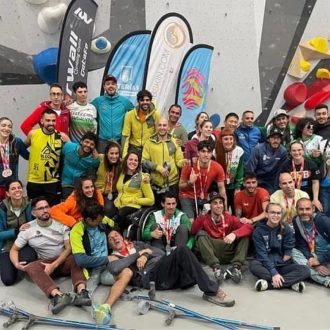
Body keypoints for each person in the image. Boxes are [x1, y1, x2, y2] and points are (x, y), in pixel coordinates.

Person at [108, 230, 235, 307]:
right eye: (111, 238)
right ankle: (211, 291)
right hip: (149, 277)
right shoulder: (113, 256)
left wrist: (146, 255)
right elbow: (114, 268)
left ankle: (192, 280)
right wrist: (138, 255)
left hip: (163, 270)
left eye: (116, 235)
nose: (115, 238)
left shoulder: (136, 244)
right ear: (110, 244)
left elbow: (160, 252)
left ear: (122, 236)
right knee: (182, 249)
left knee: (184, 255)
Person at [10, 197, 91, 314]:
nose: (45, 210)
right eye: (41, 208)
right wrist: (17, 264)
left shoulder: (61, 225)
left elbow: (69, 248)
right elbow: (14, 249)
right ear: (33, 212)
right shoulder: (27, 229)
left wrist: (54, 264)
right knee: (31, 266)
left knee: (76, 257)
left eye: (47, 207)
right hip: (45, 265)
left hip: (62, 260)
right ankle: (58, 296)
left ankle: (82, 292)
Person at [70, 203, 131, 325]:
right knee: (86, 294)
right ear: (88, 220)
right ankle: (94, 312)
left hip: (108, 266)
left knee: (127, 272)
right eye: (97, 221)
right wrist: (106, 259)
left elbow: (116, 228)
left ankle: (107, 306)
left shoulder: (103, 220)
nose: (100, 222)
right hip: (92, 269)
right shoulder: (76, 231)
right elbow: (81, 260)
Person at [191, 192, 252, 284]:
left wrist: (235, 234)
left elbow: (249, 227)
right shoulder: (204, 218)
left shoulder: (230, 218)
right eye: (215, 203)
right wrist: (202, 214)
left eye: (220, 202)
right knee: (200, 234)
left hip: (228, 249)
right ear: (209, 206)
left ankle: (236, 268)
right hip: (213, 251)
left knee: (244, 236)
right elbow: (193, 231)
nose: (219, 205)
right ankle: (216, 269)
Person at [249, 202, 310, 292]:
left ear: (281, 215)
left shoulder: (286, 228)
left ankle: (268, 285)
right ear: (266, 214)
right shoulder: (258, 231)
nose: (275, 215)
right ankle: (290, 283)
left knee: (305, 270)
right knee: (253, 266)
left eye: (278, 213)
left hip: (282, 264)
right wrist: (274, 272)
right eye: (272, 212)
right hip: (265, 264)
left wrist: (288, 252)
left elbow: (289, 246)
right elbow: (261, 254)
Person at [24, 108, 70, 206]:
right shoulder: (33, 134)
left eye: (53, 120)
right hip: (34, 180)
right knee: (34, 211)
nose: (51, 123)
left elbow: (73, 153)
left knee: (52, 212)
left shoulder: (62, 136)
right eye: (48, 120)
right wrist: (30, 157)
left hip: (53, 182)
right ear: (42, 121)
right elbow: (22, 148)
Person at [179, 140, 227, 223]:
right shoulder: (189, 165)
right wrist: (190, 182)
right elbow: (180, 186)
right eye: (203, 151)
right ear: (198, 153)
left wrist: (224, 210)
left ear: (212, 154)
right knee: (191, 222)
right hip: (187, 196)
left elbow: (222, 190)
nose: (206, 155)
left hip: (203, 197)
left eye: (209, 152)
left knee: (211, 220)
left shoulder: (217, 167)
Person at [0, 179, 37, 286]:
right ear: (7, 193)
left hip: (25, 244)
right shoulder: (2, 208)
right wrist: (16, 231)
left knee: (28, 258)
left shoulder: (29, 204)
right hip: (8, 246)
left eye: (19, 187)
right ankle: (11, 264)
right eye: (13, 188)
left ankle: (17, 263)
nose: (17, 190)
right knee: (8, 280)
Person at [142, 117, 186, 205]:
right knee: (157, 211)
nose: (162, 127)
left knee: (171, 210)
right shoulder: (149, 142)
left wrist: (184, 162)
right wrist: (159, 168)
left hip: (172, 183)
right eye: (160, 125)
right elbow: (144, 161)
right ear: (156, 127)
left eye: (164, 125)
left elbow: (179, 161)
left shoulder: (174, 142)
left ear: (168, 127)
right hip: (156, 184)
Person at [292, 198, 330, 288]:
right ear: (296, 209)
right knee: (293, 252)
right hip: (314, 255)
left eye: (307, 209)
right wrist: (313, 262)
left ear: (313, 208)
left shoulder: (323, 221)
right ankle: (326, 280)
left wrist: (320, 260)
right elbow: (301, 244)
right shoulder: (296, 221)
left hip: (327, 254)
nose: (304, 212)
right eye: (301, 209)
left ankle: (314, 271)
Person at [92, 74, 134, 152]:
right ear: (104, 87)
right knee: (102, 163)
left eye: (113, 84)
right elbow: (86, 108)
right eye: (108, 84)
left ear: (116, 86)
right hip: (102, 141)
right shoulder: (98, 101)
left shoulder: (124, 101)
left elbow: (136, 112)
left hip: (118, 141)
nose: (110, 86)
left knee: (118, 163)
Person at [114, 151, 154, 231]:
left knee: (120, 214)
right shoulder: (122, 174)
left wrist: (134, 200)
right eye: (130, 159)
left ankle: (120, 235)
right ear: (126, 161)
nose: (133, 162)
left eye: (136, 160)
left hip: (133, 206)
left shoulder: (143, 178)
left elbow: (151, 200)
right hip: (119, 203)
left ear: (138, 163)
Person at [279, 141, 322, 210]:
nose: (297, 153)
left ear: (303, 151)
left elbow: (315, 182)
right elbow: (282, 183)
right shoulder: (285, 166)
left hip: (308, 196)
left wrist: (315, 199)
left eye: (299, 150)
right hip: (291, 196)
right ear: (290, 152)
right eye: (294, 150)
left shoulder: (311, 164)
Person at [245, 126, 288, 194]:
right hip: (257, 177)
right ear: (268, 139)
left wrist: (277, 186)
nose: (276, 140)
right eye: (273, 138)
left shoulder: (283, 151)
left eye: (278, 138)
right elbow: (250, 168)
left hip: (272, 180)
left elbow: (281, 171)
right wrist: (252, 182)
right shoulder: (258, 149)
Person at [121, 89, 160, 157]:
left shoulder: (156, 115)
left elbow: (158, 135)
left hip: (149, 149)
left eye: (147, 100)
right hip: (133, 148)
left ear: (150, 101)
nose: (145, 102)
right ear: (138, 101)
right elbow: (126, 136)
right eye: (142, 100)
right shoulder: (130, 115)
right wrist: (124, 155)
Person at [61, 131, 99, 199]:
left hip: (79, 186)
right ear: (81, 141)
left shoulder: (93, 160)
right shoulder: (69, 147)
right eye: (86, 142)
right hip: (65, 183)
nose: (88, 145)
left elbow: (93, 172)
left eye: (92, 144)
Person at [215, 128, 244, 213]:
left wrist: (238, 187)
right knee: (223, 210)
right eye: (226, 139)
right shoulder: (215, 152)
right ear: (221, 140)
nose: (229, 141)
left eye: (231, 139)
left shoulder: (239, 151)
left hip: (234, 185)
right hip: (220, 186)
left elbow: (240, 170)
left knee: (236, 209)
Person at [0, 117, 29, 201]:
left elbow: (28, 156)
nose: (6, 128)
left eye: (9, 126)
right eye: (3, 125)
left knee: (11, 211)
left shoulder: (17, 142)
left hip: (12, 185)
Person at [95, 141, 121, 218]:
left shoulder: (121, 164)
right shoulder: (100, 159)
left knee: (109, 209)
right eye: (112, 153)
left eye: (116, 153)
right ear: (106, 153)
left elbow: (134, 168)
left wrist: (146, 176)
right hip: (97, 192)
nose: (114, 156)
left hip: (111, 194)